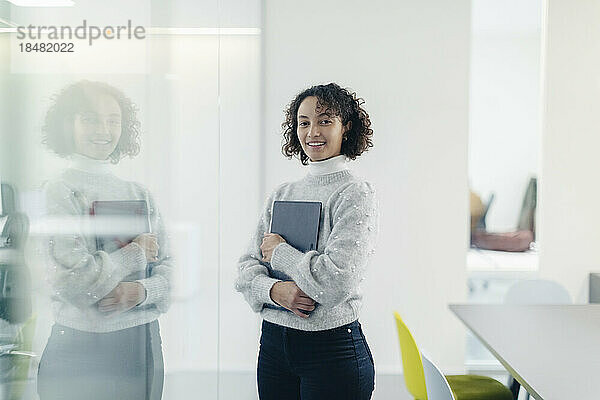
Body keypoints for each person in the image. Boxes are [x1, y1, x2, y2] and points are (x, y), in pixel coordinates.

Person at [236, 83, 378, 400]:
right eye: (304, 122)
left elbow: (334, 282)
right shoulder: (282, 193)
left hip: (331, 350)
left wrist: (279, 252)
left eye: (325, 120)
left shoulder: (354, 193)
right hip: (273, 346)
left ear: (347, 127)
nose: (313, 131)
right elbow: (246, 269)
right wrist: (275, 290)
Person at [36, 81, 171, 400]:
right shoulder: (57, 190)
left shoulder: (139, 193)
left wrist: (140, 291)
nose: (104, 130)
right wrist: (136, 253)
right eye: (90, 118)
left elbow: (171, 269)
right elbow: (73, 281)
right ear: (68, 124)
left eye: (113, 120)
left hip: (141, 344)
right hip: (78, 348)